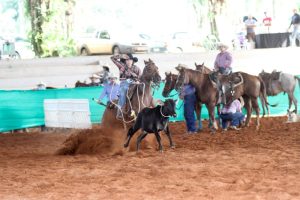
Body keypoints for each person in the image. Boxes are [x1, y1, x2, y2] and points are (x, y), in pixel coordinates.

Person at [111, 53, 141, 118]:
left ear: (133, 61)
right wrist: (120, 56)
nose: (128, 61)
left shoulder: (137, 68)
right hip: (124, 83)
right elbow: (112, 58)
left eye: (130, 60)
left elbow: (140, 77)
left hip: (135, 83)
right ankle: (119, 112)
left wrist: (138, 81)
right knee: (123, 93)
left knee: (143, 90)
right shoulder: (121, 66)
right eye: (127, 60)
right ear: (125, 61)